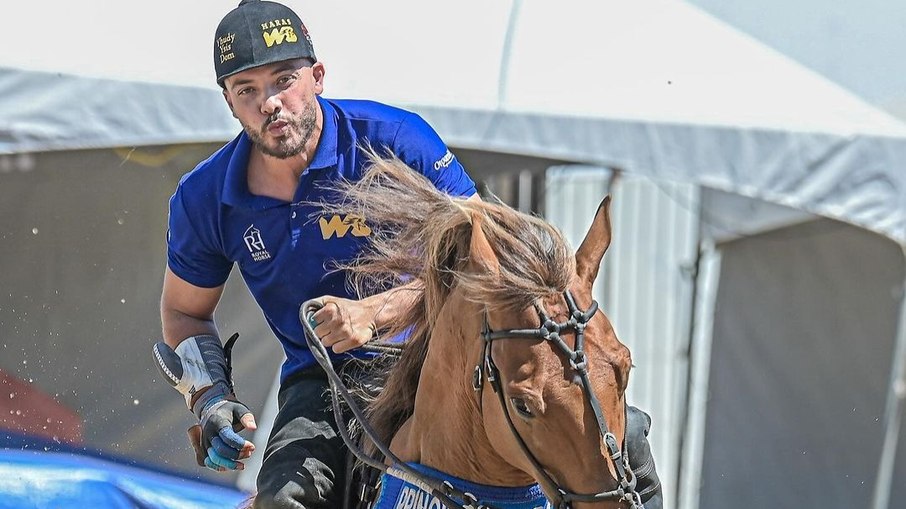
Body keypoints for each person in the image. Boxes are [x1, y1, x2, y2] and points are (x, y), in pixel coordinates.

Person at [151, 1, 662, 508]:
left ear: (318, 76)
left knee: (626, 439)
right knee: (287, 498)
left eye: (284, 79)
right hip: (326, 380)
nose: (271, 103)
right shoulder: (202, 197)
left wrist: (376, 313)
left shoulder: (395, 138)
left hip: (448, 355)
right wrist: (211, 399)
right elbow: (183, 311)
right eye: (248, 90)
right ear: (230, 102)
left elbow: (487, 265)